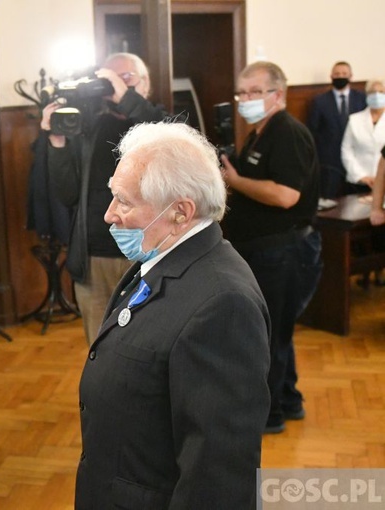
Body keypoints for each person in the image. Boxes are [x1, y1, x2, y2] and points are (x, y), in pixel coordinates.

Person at [76, 122, 270, 509]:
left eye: (125, 202)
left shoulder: (223, 305)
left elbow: (218, 474)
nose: (109, 215)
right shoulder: (160, 256)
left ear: (181, 211)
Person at [221, 61, 323, 434]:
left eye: (254, 92)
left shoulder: (287, 132)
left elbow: (284, 196)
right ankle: (289, 400)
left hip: (284, 252)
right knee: (276, 330)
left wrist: (235, 180)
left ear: (277, 95)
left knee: (270, 335)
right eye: (241, 92)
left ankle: (270, 414)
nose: (245, 99)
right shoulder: (259, 132)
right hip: (263, 250)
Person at [42, 53, 166, 345]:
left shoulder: (160, 122)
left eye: (125, 78)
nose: (113, 87)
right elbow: (68, 194)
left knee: (148, 344)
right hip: (95, 257)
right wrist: (56, 142)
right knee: (101, 347)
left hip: (148, 253)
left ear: (145, 84)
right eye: (107, 80)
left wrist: (125, 97)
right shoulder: (91, 127)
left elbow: (165, 138)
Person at [307, 61, 367, 198]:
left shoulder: (361, 99)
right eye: (337, 74)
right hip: (329, 162)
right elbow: (312, 130)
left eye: (344, 74)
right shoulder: (320, 101)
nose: (340, 76)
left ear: (351, 76)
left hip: (357, 159)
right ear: (331, 76)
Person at [341, 79, 385, 194]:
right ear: (366, 95)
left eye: (381, 92)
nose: (377, 96)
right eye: (372, 92)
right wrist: (361, 176)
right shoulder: (355, 120)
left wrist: (379, 178)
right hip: (358, 182)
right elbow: (346, 150)